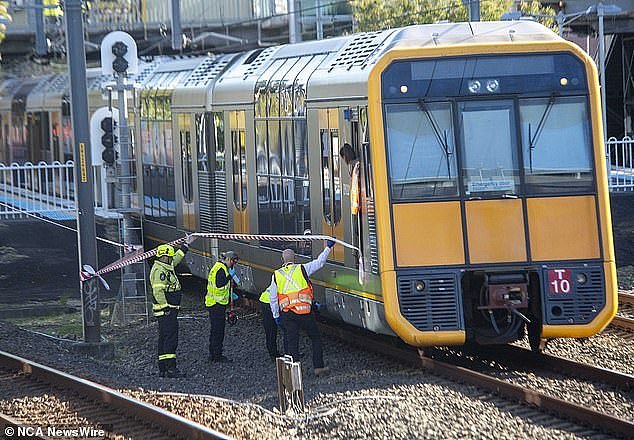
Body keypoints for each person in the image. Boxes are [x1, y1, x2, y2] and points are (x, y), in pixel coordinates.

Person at [269, 241, 335, 376]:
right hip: (305, 312)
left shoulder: (276, 275)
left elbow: (273, 298)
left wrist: (276, 316)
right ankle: (318, 367)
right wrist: (328, 247)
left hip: (288, 314)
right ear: (295, 259)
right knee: (315, 337)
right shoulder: (302, 268)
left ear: (282, 260)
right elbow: (320, 262)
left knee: (292, 342)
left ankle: (295, 374)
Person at [149, 238, 192, 378]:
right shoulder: (160, 271)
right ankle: (171, 368)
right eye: (170, 256)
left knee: (164, 337)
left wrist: (185, 246)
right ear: (165, 256)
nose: (172, 258)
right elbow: (158, 292)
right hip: (166, 311)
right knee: (170, 338)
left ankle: (163, 368)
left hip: (168, 310)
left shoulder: (165, 266)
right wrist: (166, 307)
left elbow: (177, 258)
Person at [206, 251, 240, 363]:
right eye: (233, 262)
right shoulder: (221, 269)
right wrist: (230, 276)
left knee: (215, 330)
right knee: (218, 331)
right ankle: (217, 355)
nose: (233, 264)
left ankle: (213, 353)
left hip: (214, 303)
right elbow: (219, 283)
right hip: (217, 304)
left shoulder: (218, 267)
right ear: (230, 260)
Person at [260, 283, 284, 360]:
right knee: (286, 330)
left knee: (270, 331)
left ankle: (273, 353)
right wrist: (276, 315)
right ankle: (290, 353)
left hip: (264, 299)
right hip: (270, 302)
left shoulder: (280, 277)